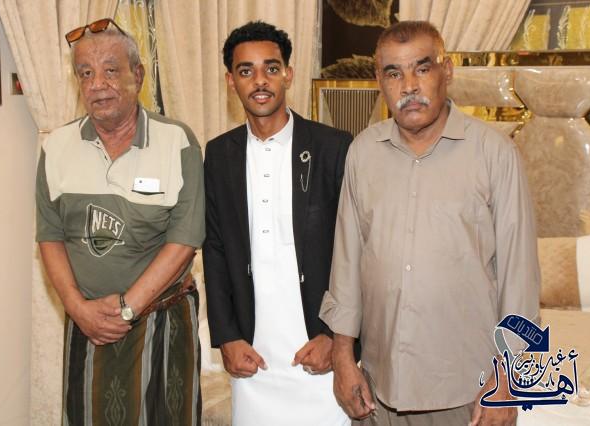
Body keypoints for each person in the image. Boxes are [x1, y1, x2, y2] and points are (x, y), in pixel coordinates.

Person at [320, 21, 540, 426]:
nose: (409, 86)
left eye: (422, 68)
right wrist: (343, 358)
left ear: (447, 71)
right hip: (377, 389)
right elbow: (347, 265)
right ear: (379, 81)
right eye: (394, 73)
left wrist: (510, 378)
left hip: (467, 393)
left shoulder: (494, 154)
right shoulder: (363, 152)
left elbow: (519, 278)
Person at [36, 19, 204, 425]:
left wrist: (128, 309)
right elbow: (50, 237)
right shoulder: (56, 147)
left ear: (138, 76)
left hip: (161, 322)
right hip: (86, 324)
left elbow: (185, 239)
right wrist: (78, 308)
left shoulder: (177, 141)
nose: (97, 84)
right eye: (85, 73)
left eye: (111, 70)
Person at [203, 21, 353, 426]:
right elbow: (214, 248)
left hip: (319, 347)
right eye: (246, 71)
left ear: (288, 73)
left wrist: (337, 338)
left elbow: (356, 251)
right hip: (254, 354)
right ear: (231, 81)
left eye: (271, 68)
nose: (260, 81)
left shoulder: (333, 147)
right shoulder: (218, 155)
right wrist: (227, 336)